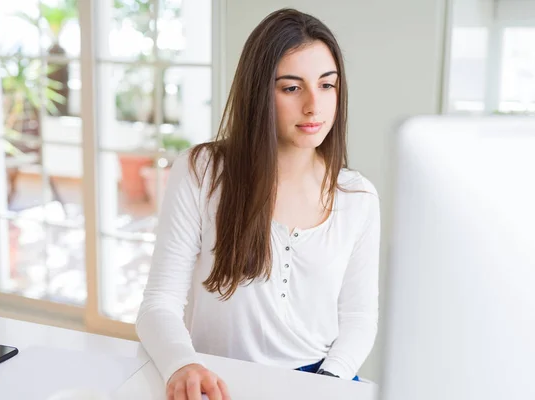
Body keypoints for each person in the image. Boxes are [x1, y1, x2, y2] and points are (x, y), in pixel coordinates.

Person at [136, 8, 381, 400]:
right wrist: (181, 363)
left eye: (327, 85)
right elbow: (158, 304)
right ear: (258, 93)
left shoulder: (358, 196)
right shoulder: (202, 172)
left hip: (322, 381)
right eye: (291, 88)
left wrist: (326, 383)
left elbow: (358, 318)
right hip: (219, 380)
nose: (313, 106)